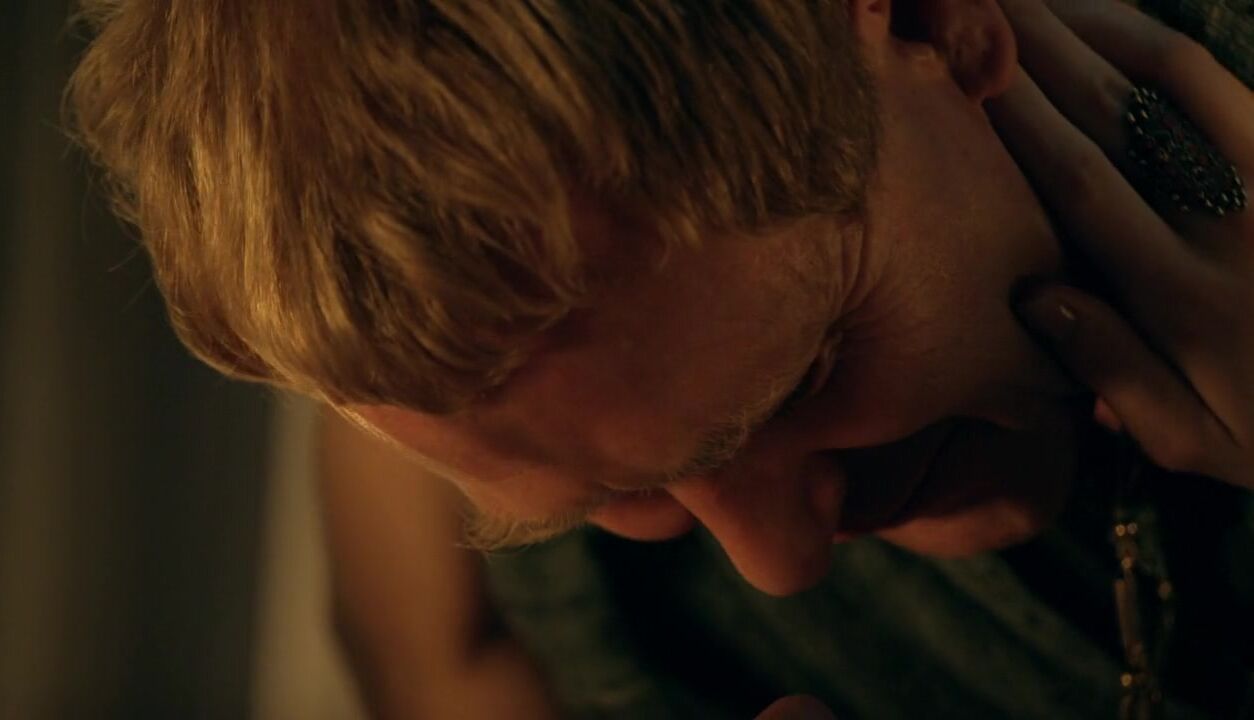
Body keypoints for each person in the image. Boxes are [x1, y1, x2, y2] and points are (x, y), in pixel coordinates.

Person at [66, 0, 1253, 717]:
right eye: (620, 497)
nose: (778, 565)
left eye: (808, 377)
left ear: (931, 20)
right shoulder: (545, 556)